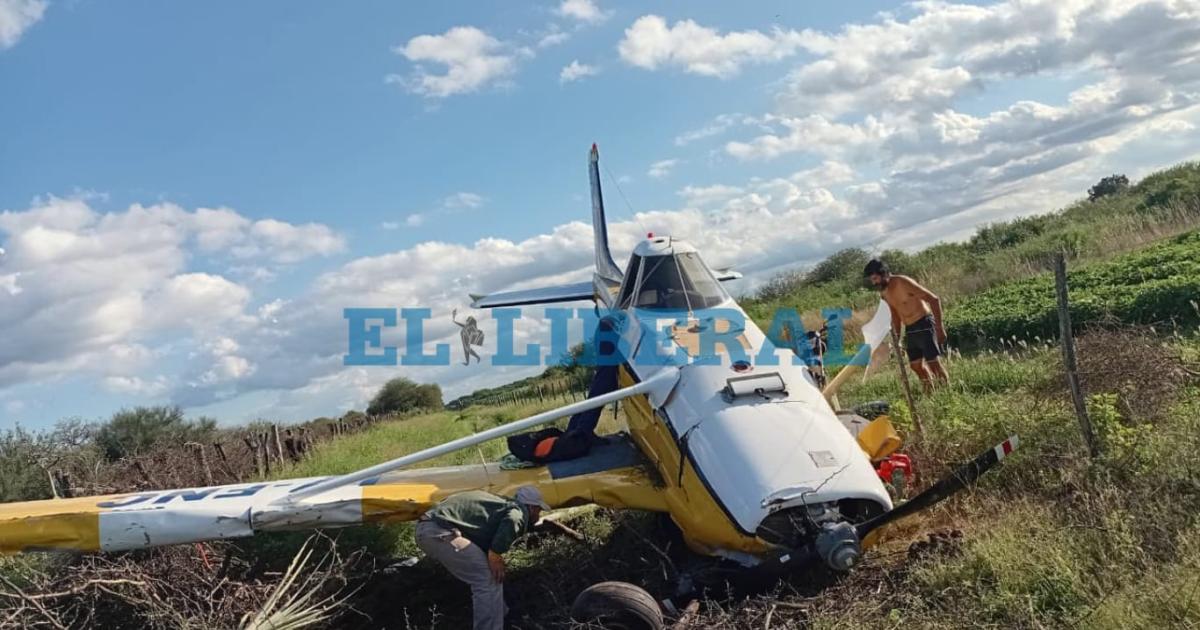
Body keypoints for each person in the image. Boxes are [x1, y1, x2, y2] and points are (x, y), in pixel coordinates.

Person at [414, 486, 550, 630]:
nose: (538, 516)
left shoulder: (497, 504)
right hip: (439, 531)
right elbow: (513, 519)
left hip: (430, 528)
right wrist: (495, 554)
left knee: (490, 575)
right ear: (532, 508)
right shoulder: (519, 511)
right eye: (539, 511)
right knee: (486, 579)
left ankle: (506, 617)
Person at [864, 259, 949, 392]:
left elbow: (933, 299)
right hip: (910, 329)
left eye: (875, 278)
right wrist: (897, 340)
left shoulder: (903, 282)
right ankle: (930, 393)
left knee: (933, 363)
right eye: (872, 280)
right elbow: (896, 316)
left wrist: (939, 327)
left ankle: (947, 393)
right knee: (916, 366)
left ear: (884, 273)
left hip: (924, 323)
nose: (874, 283)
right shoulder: (884, 293)